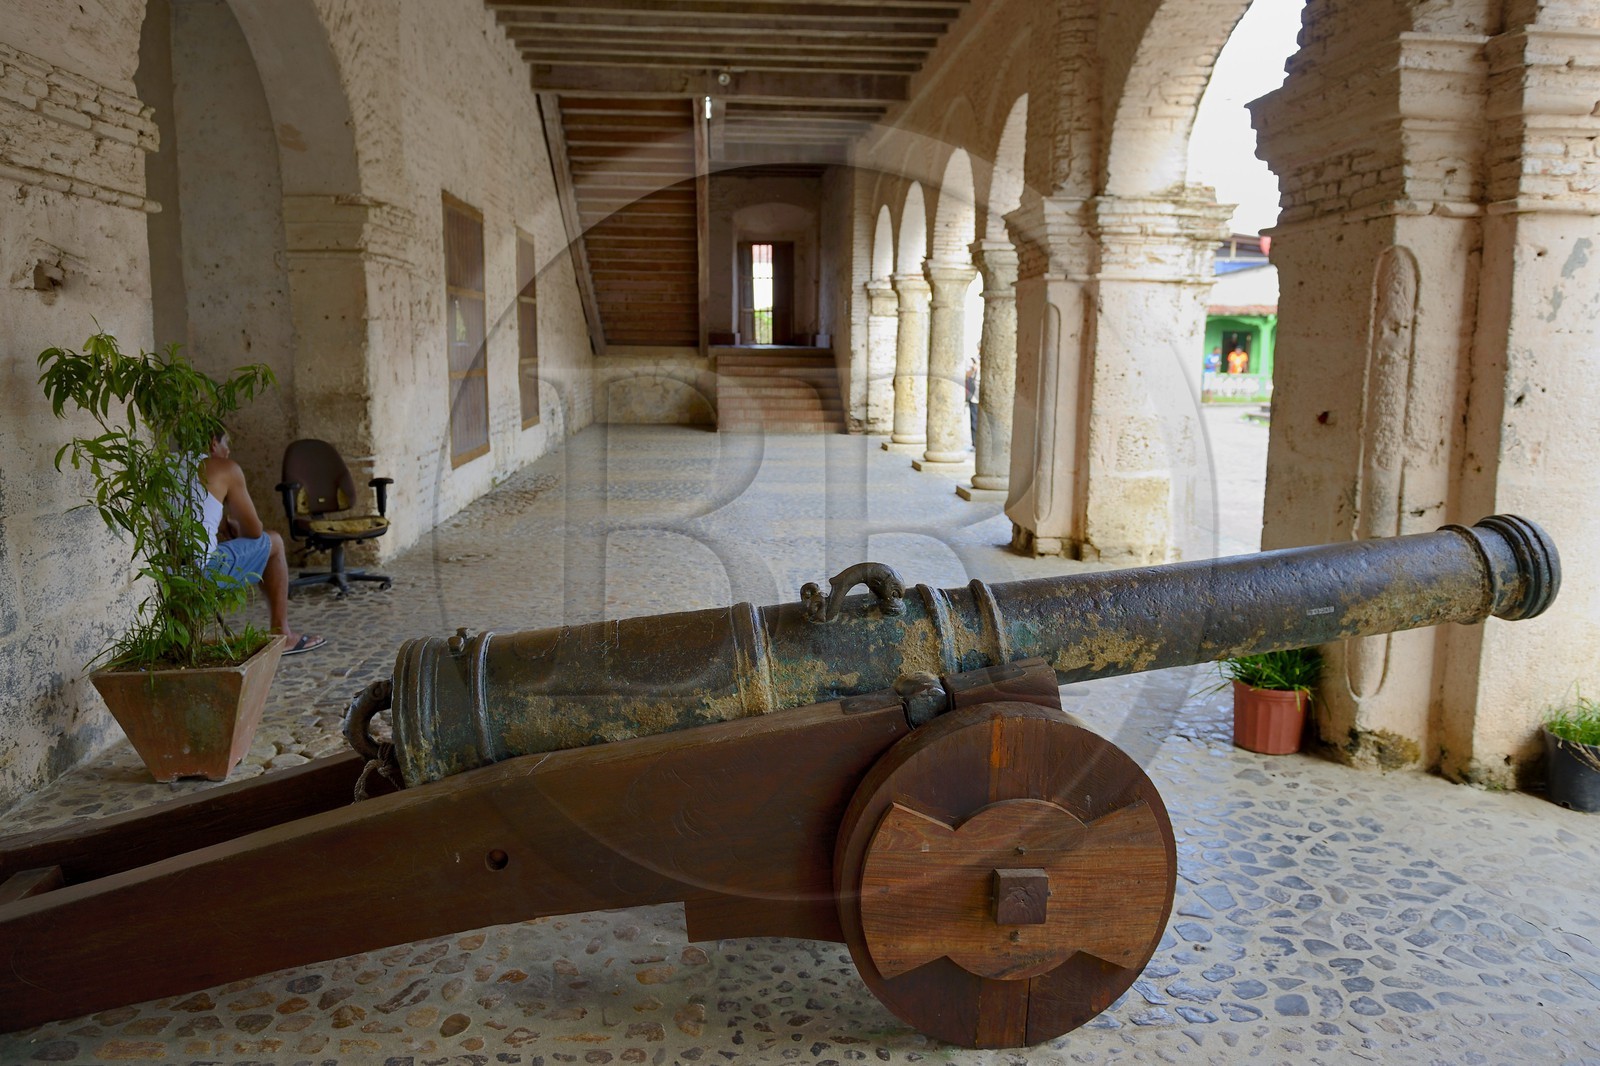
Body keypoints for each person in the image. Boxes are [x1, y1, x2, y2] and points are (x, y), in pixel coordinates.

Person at [197, 431, 325, 655]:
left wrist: (216, 525)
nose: (228, 451)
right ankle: (282, 634)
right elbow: (254, 531)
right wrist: (235, 525)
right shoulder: (224, 467)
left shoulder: (166, 467)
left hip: (165, 573)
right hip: (202, 573)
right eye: (227, 442)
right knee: (273, 541)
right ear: (213, 442)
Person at [965, 359, 980, 450]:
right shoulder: (974, 362)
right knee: (974, 420)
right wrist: (974, 369)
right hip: (974, 396)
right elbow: (967, 375)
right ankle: (975, 443)